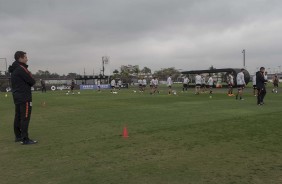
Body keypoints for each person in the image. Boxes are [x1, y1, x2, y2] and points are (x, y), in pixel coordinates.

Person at [8, 51, 37, 145]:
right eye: (25, 57)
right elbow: (32, 81)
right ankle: (25, 139)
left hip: (17, 96)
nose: (27, 59)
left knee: (18, 117)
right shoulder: (21, 68)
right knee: (25, 117)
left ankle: (18, 136)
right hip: (24, 97)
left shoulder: (14, 69)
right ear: (20, 58)